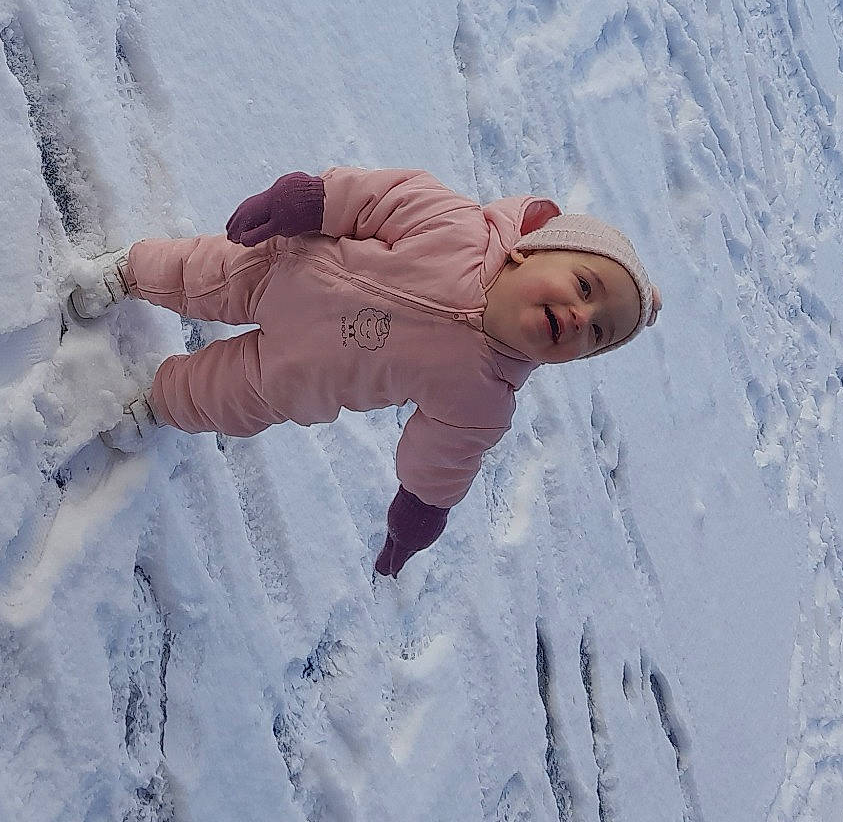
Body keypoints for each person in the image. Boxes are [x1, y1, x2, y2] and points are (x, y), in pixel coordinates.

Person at [68, 167, 659, 577]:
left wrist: (417, 519)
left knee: (219, 397)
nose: (582, 318)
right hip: (278, 270)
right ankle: (127, 273)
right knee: (194, 271)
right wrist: (304, 201)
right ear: (534, 250)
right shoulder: (455, 226)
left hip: (295, 379)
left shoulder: (483, 400)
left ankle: (155, 406)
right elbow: (375, 198)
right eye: (586, 286)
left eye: (597, 335)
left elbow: (441, 464)